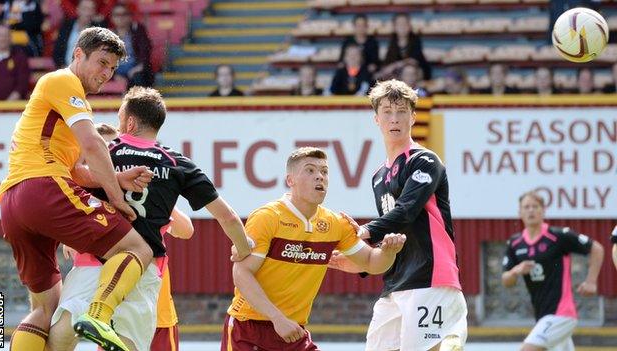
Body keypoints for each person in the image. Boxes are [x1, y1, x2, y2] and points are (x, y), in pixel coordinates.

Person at [47, 87, 252, 351]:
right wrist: (243, 247)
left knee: (64, 330)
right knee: (130, 343)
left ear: (129, 122)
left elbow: (68, 192)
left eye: (120, 118)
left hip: (94, 259)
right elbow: (228, 216)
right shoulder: (177, 164)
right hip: (144, 266)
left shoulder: (103, 154)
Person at [0, 26, 162, 351]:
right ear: (78, 54)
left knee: (45, 308)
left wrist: (113, 177)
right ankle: (99, 316)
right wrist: (116, 196)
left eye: (113, 68)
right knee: (139, 249)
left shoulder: (60, 106)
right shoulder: (62, 81)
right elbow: (93, 144)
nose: (106, 73)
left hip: (13, 203)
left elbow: (74, 171)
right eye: (101, 62)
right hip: (41, 189)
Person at [221, 147, 407, 351]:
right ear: (290, 180)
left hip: (294, 332)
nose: (319, 177)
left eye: (324, 172)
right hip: (249, 329)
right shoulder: (267, 217)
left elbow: (372, 262)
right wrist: (277, 318)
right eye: (310, 171)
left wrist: (389, 251)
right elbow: (241, 273)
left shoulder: (336, 223)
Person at [331, 79, 468, 350]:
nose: (394, 119)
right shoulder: (378, 176)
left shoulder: (425, 160)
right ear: (376, 119)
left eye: (402, 111)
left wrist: (362, 232)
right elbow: (393, 237)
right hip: (395, 285)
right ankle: (450, 336)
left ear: (413, 117)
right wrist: (362, 263)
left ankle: (451, 335)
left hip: (430, 279)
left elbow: (405, 212)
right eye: (387, 112)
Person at [502, 191, 604, 351]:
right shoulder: (515, 243)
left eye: (535, 206)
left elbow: (596, 248)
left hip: (561, 314)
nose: (531, 211)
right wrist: (516, 271)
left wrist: (591, 282)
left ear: (543, 210)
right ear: (519, 212)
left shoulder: (558, 236)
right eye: (526, 207)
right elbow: (506, 280)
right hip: (543, 316)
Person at [110, 3, 153, 88]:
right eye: (117, 15)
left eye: (124, 14)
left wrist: (139, 67)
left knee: (139, 77)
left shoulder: (138, 30)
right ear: (112, 18)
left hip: (134, 68)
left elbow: (145, 50)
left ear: (130, 16)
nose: (121, 18)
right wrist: (114, 75)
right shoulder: (108, 34)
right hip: (115, 70)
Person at [378, 13, 431, 81]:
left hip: (416, 72)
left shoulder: (415, 39)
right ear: (394, 27)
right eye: (399, 24)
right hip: (399, 74)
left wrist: (396, 65)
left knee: (409, 71)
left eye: (405, 24)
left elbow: (413, 61)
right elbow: (388, 62)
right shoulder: (393, 41)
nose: (402, 27)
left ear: (409, 26)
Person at [53, 0, 105, 68]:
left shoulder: (98, 30)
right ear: (78, 10)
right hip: (65, 69)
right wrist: (63, 67)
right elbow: (57, 51)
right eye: (85, 9)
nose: (88, 13)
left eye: (91, 9)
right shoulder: (67, 26)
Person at [0, 22, 29, 100]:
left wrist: (9, 104)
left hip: (12, 107)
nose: (2, 39)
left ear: (10, 38)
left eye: (5, 36)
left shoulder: (20, 58)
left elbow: (22, 83)